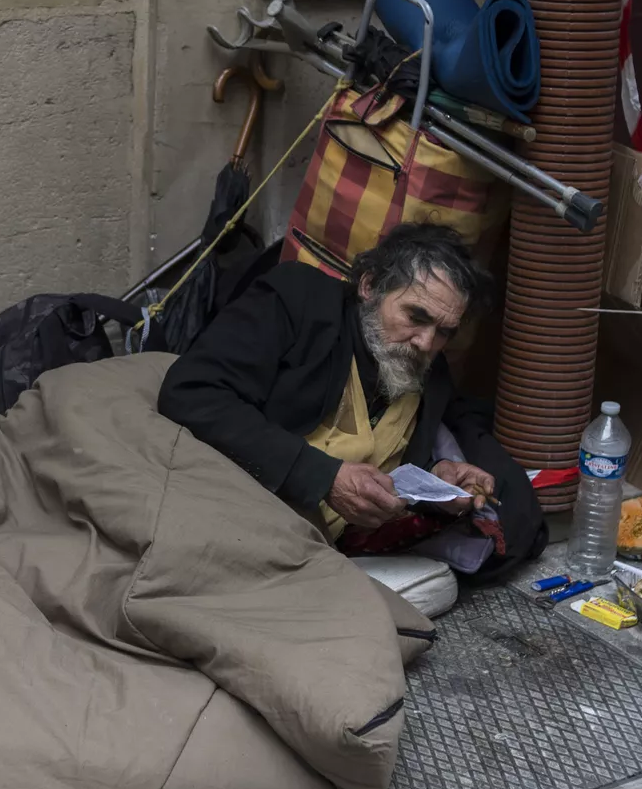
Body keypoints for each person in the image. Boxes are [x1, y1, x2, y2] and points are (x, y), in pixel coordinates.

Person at [158, 223, 547, 578]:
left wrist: (437, 483)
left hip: (321, 552)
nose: (426, 342)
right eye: (415, 316)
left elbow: (393, 465)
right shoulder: (299, 301)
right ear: (369, 286)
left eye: (444, 331)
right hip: (235, 517)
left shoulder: (429, 375)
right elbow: (193, 392)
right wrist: (324, 477)